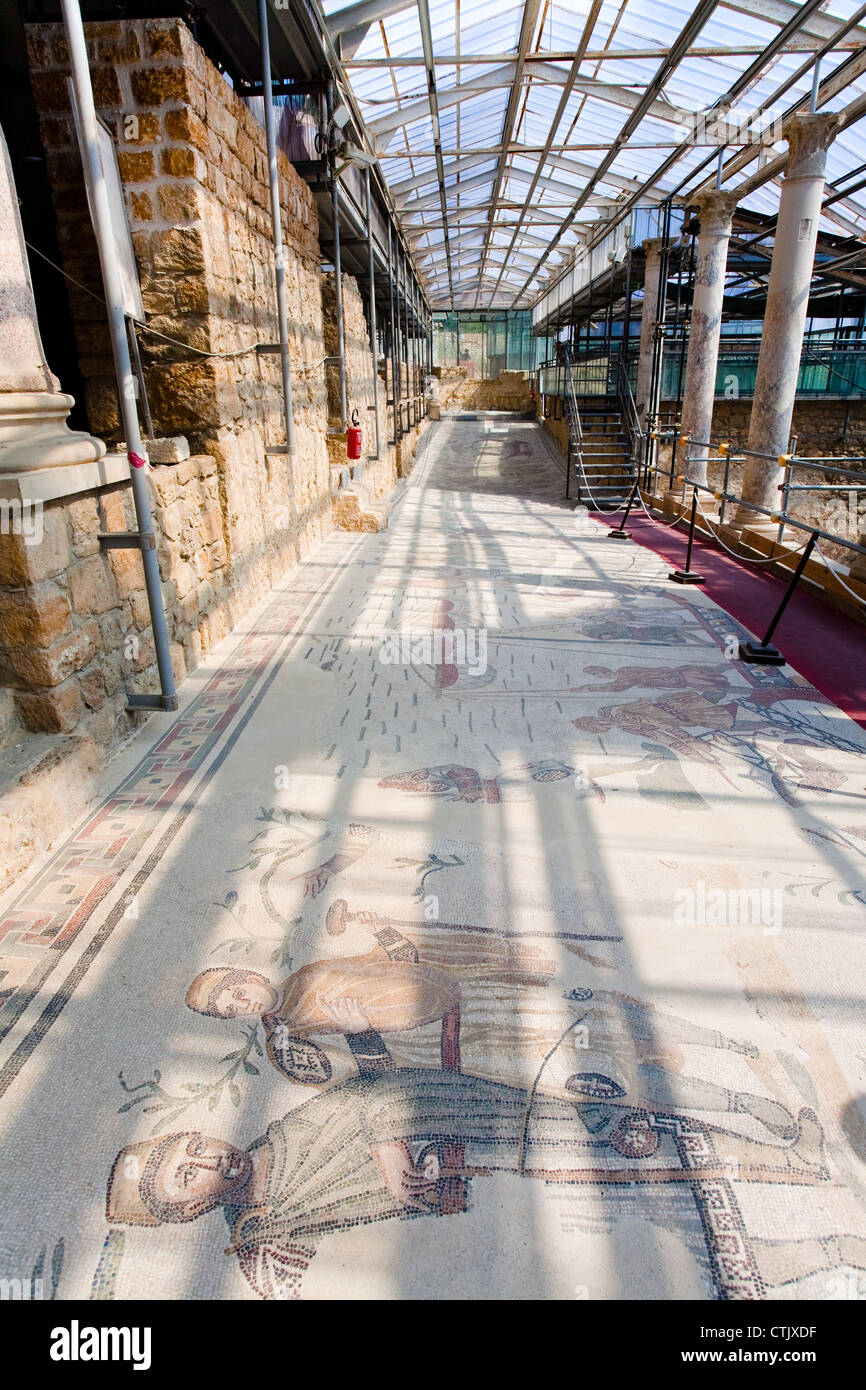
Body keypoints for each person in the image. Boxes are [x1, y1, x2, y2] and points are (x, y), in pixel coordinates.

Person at [106, 1067, 828, 1300]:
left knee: (626, 1136)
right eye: (187, 1176)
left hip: (483, 1136)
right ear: (188, 1210)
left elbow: (379, 1092)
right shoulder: (262, 1234)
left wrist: (389, 1143)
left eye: (192, 1147)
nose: (207, 1159)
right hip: (495, 1219)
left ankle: (782, 1158)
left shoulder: (294, 1131)